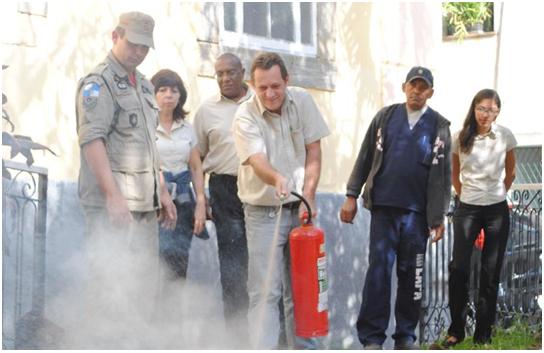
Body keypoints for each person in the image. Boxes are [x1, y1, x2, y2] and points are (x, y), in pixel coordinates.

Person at [75, 12, 176, 347]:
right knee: (110, 289)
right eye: (133, 44)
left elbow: (148, 143)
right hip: (113, 207)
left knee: (143, 287)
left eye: (145, 47)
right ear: (115, 35)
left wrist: (162, 191)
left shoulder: (145, 85)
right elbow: (93, 141)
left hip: (144, 205)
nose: (139, 52)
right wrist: (113, 196)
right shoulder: (97, 83)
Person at [339, 66, 452, 349]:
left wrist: (438, 217)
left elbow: (443, 176)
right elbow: (365, 155)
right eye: (413, 85)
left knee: (411, 276)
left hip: (416, 216)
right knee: (378, 271)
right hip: (384, 210)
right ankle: (372, 339)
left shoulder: (439, 126)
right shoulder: (385, 117)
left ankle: (405, 338)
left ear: (431, 92)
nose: (417, 90)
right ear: (404, 87)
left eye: (423, 86)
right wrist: (352, 195)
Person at [232, 52, 330, 349]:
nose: (270, 94)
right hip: (263, 212)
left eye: (276, 86)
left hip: (301, 208)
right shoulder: (244, 115)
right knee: (265, 292)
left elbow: (314, 151)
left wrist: (308, 196)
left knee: (303, 291)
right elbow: (257, 160)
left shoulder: (303, 102)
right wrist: (276, 178)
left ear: (287, 80)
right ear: (252, 84)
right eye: (262, 88)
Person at [443, 89, 516, 347]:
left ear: (498, 112)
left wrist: (496, 195)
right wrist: (467, 197)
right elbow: (454, 175)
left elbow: (511, 172)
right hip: (467, 208)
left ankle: (483, 334)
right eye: (482, 108)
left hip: (496, 210)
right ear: (474, 108)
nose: (486, 114)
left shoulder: (504, 136)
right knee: (458, 269)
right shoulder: (459, 138)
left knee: (490, 272)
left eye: (492, 110)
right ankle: (456, 330)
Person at [193, 53, 252, 343]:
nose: (225, 78)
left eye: (231, 72)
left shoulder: (261, 102)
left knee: (265, 265)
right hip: (224, 190)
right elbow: (197, 158)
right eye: (219, 73)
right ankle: (237, 339)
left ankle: (268, 339)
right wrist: (201, 200)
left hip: (260, 190)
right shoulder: (206, 111)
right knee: (232, 266)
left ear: (243, 72)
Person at [151, 69, 208, 280]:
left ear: (180, 95)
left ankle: (174, 310)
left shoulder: (187, 128)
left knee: (179, 258)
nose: (168, 95)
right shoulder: (146, 125)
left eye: (174, 91)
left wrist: (200, 202)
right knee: (156, 259)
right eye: (162, 90)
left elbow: (195, 167)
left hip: (184, 201)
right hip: (155, 202)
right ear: (153, 94)